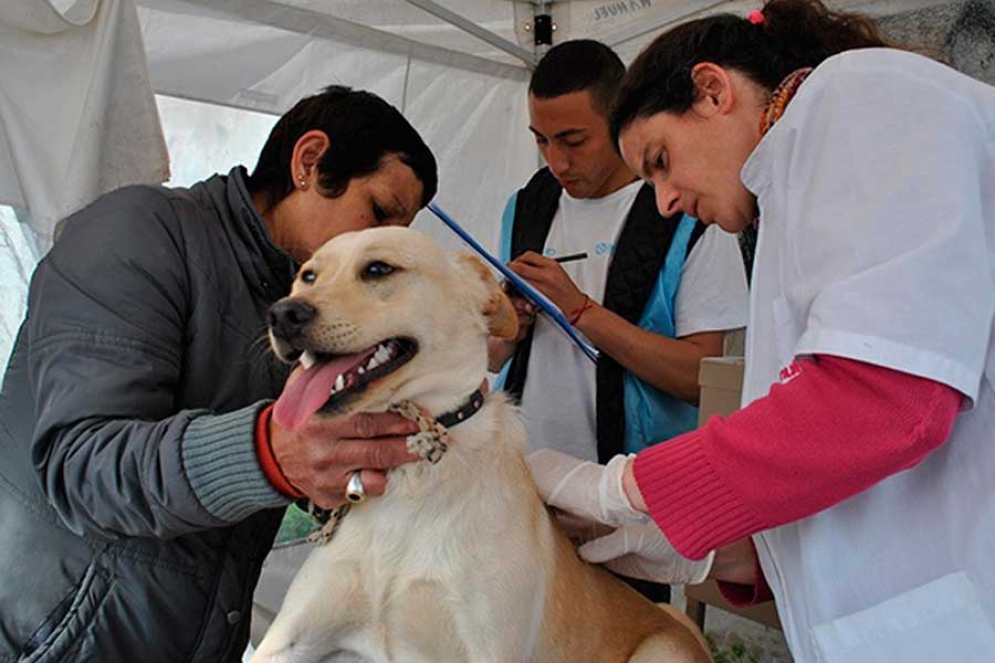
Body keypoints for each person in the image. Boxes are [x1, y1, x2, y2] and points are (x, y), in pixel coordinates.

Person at [528, 1, 995, 661]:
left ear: (712, 90)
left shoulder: (856, 94)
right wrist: (711, 549)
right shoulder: (789, 195)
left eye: (659, 160)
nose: (662, 201)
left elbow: (880, 402)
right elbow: (836, 466)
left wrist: (627, 487)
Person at [0, 85, 437, 662]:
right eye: (378, 213)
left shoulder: (298, 302)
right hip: (57, 641)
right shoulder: (134, 232)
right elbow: (83, 465)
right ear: (309, 162)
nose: (379, 248)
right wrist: (270, 455)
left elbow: (280, 472)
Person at [489, 39, 748, 471]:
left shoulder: (688, 208)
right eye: (542, 141)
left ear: (618, 118)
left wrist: (581, 311)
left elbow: (700, 378)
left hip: (633, 485)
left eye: (573, 141)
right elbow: (493, 356)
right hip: (522, 471)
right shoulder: (526, 205)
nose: (557, 162)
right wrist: (507, 323)